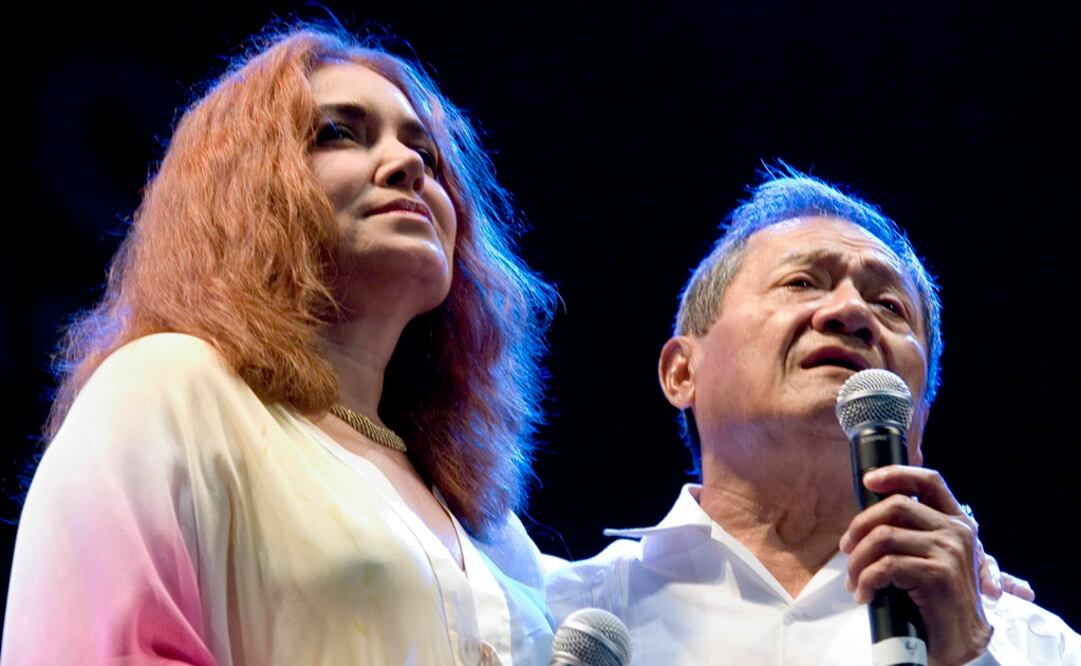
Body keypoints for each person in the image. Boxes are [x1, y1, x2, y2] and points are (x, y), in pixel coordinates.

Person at [3, 25, 557, 665]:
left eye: (428, 157)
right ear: (248, 189)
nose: (408, 166)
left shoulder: (488, 523)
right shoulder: (168, 389)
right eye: (339, 132)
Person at [545, 169, 1080, 664]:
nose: (852, 313)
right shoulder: (553, 614)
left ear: (919, 419)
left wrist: (969, 655)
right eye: (802, 282)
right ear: (683, 372)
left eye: (890, 307)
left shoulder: (1034, 646)